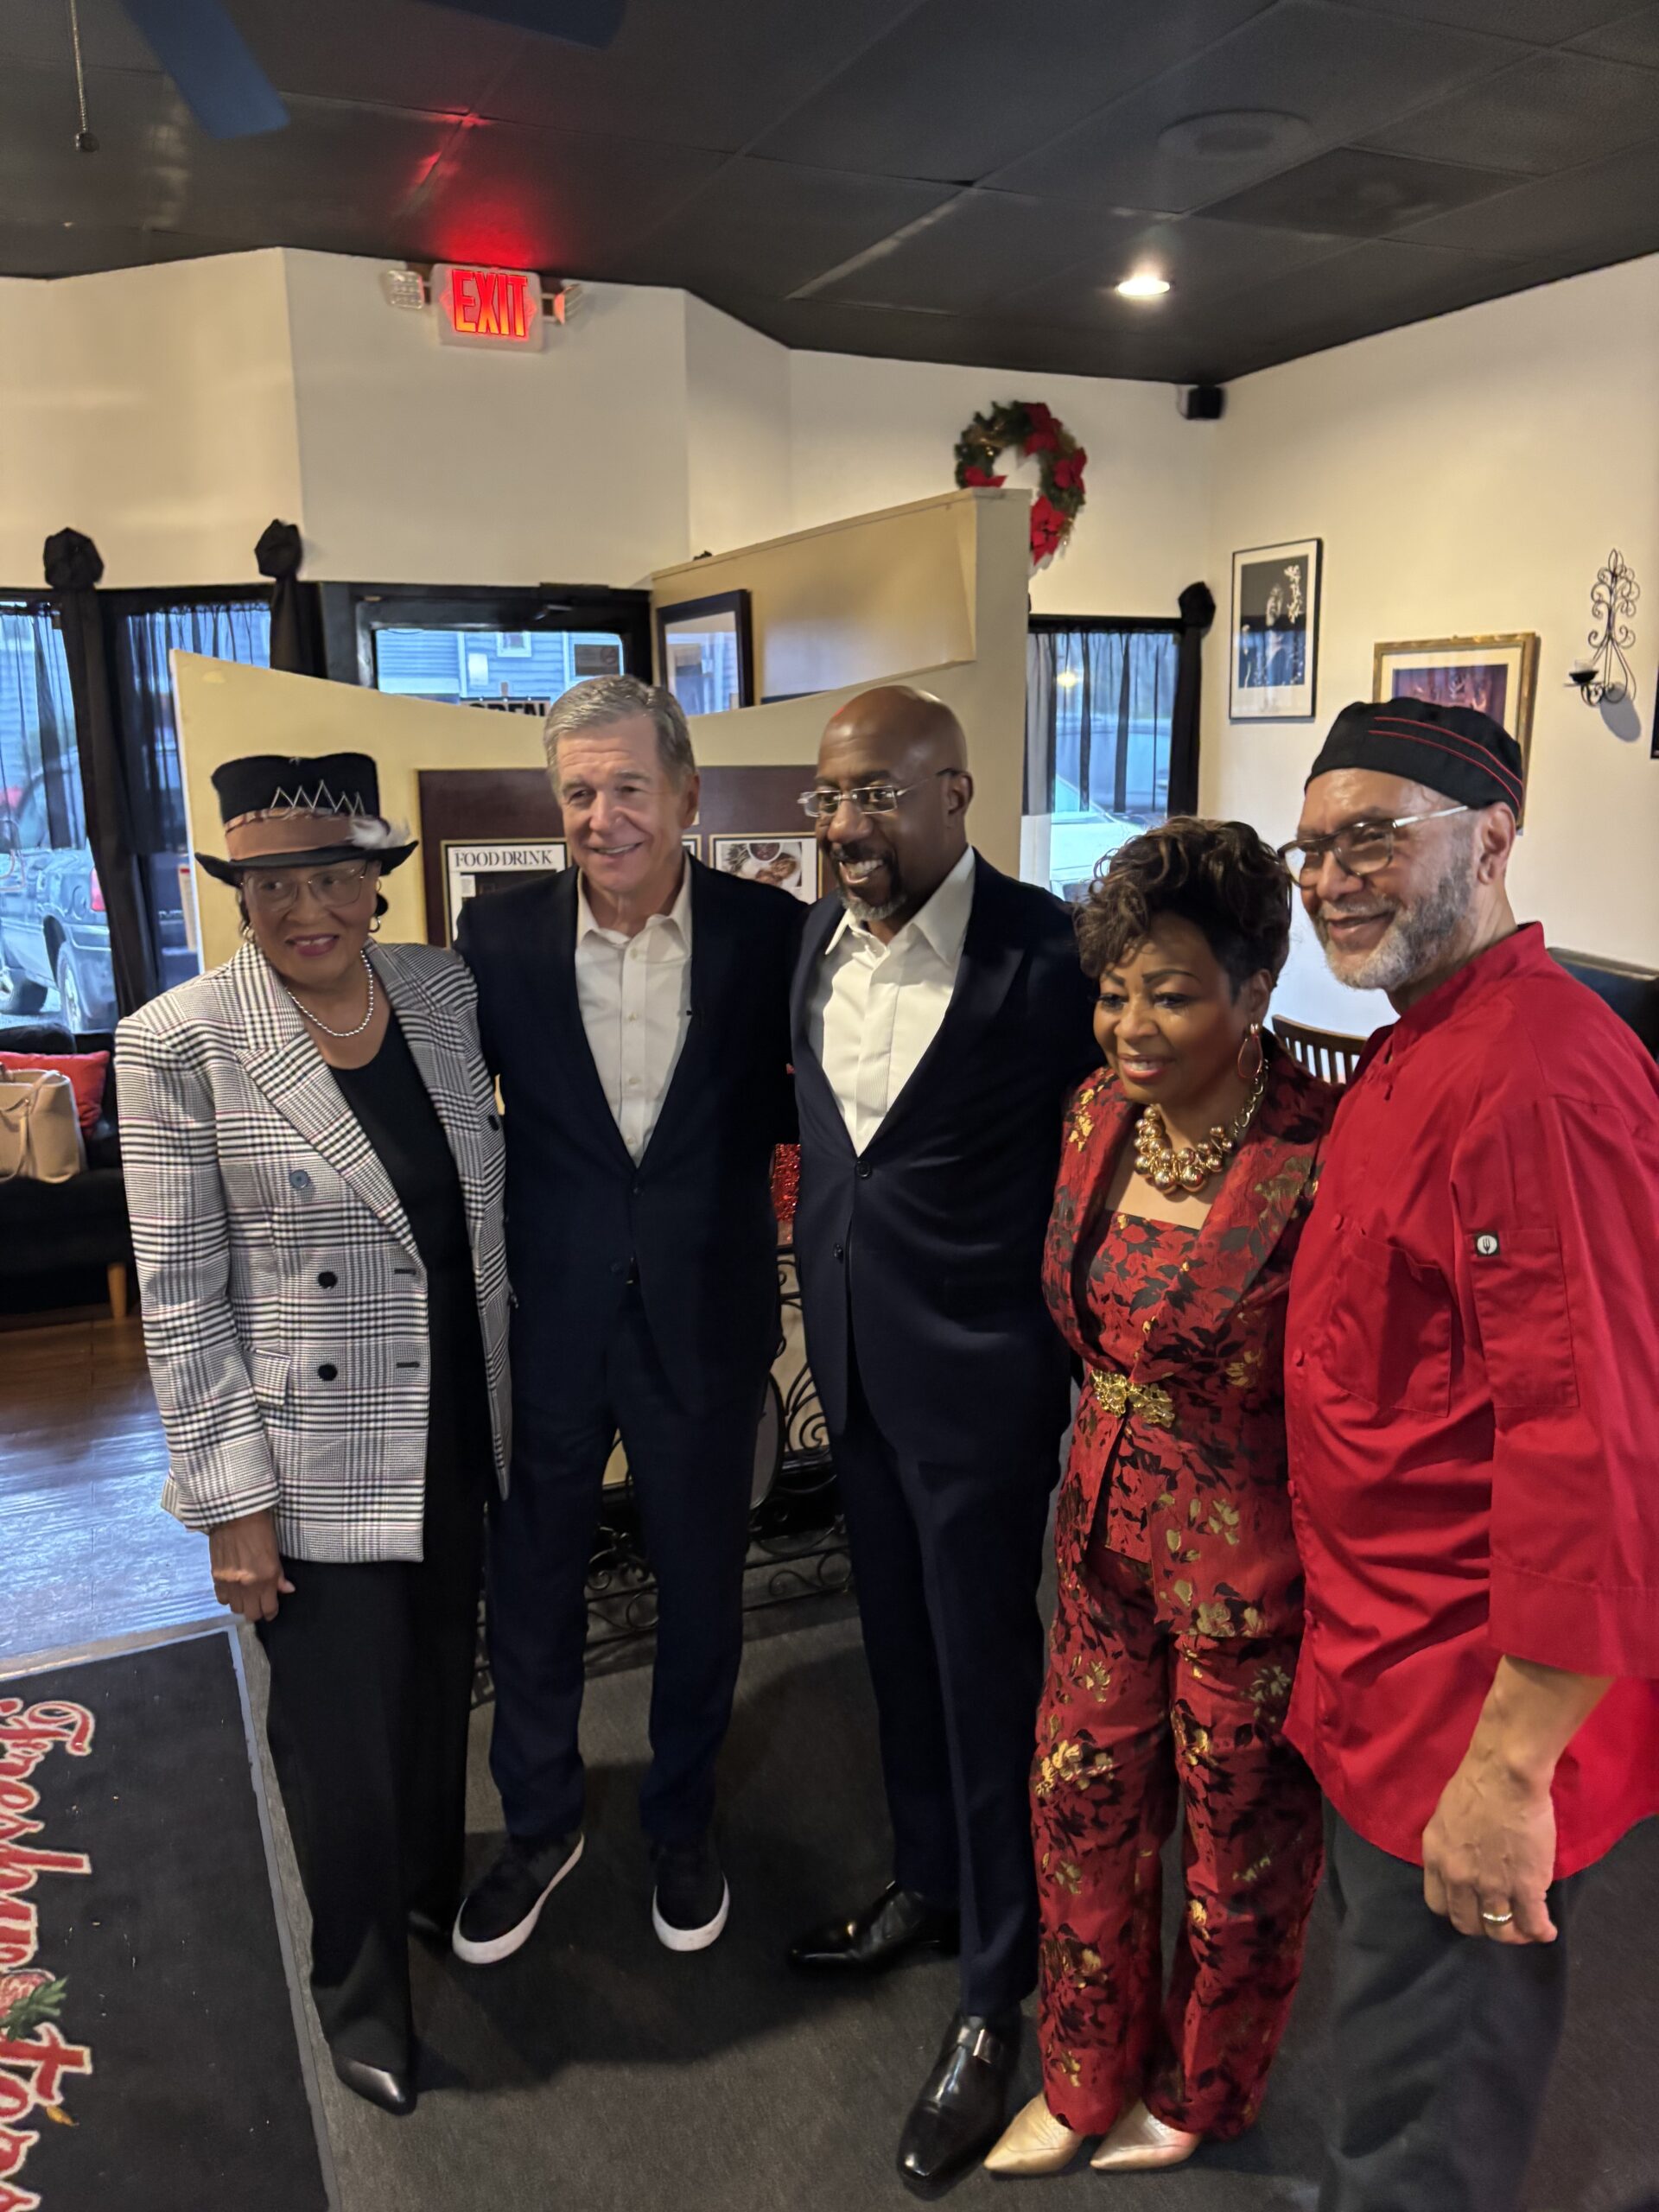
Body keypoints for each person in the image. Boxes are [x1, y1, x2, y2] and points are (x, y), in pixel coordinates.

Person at [1280, 696, 1659, 2212]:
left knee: (1427, 2120)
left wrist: (1510, 1770)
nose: (1330, 880)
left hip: (1470, 1705)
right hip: (1378, 1668)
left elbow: (1598, 1446)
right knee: (1390, 2052)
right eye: (1311, 849)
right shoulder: (1420, 1044)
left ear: (1492, 840)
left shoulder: (1538, 1078)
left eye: (1372, 838)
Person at [116, 753, 510, 2119]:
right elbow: (181, 1294)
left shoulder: (443, 995)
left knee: (435, 1689)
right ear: (240, 893)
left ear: (376, 884)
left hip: (456, 1417)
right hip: (308, 1455)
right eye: (274, 884)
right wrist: (230, 1502)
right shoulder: (178, 1040)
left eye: (334, 876)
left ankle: (425, 1893)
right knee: (338, 1739)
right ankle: (359, 1987)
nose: (307, 910)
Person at [987, 819, 1334, 2181]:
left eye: (1172, 995)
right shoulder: (1096, 1115)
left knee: (1239, 1847)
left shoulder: (1321, 1155)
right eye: (1115, 990)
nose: (1130, 1026)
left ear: (1255, 993)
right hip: (1097, 1538)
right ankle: (1082, 2078)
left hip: (1255, 1570)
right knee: (1077, 1803)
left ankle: (1202, 2090)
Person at [785, 685, 1098, 2196]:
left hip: (982, 1389)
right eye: (829, 799)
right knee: (897, 1657)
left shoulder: (1052, 956)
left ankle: (995, 1987)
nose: (848, 825)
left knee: (987, 1680)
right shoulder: (814, 943)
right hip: (854, 1371)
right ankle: (925, 1883)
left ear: (955, 794)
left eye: (878, 794)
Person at [453, 676, 801, 1964]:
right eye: (579, 793)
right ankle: (540, 1823)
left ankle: (681, 1819)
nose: (603, 817)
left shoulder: (773, 933)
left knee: (702, 1585)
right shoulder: (496, 938)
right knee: (531, 1583)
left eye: (629, 788)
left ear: (688, 796)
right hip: (550, 1317)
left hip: (706, 1316)